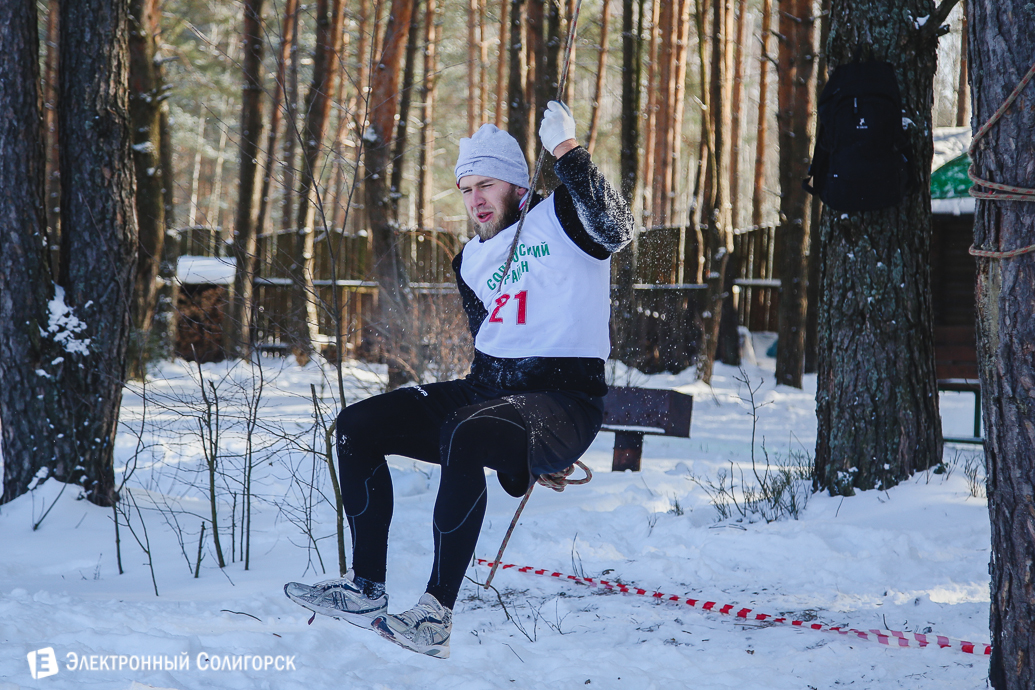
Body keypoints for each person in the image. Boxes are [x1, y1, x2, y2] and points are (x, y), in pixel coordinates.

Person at [284, 101, 632, 658]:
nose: (475, 201)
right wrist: (505, 437)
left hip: (563, 398)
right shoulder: (469, 258)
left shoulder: (564, 217)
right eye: (467, 189)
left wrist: (567, 151)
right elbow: (491, 340)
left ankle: (434, 618)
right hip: (489, 392)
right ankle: (366, 587)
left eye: (487, 186)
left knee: (465, 431)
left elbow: (616, 229)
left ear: (517, 185)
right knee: (357, 425)